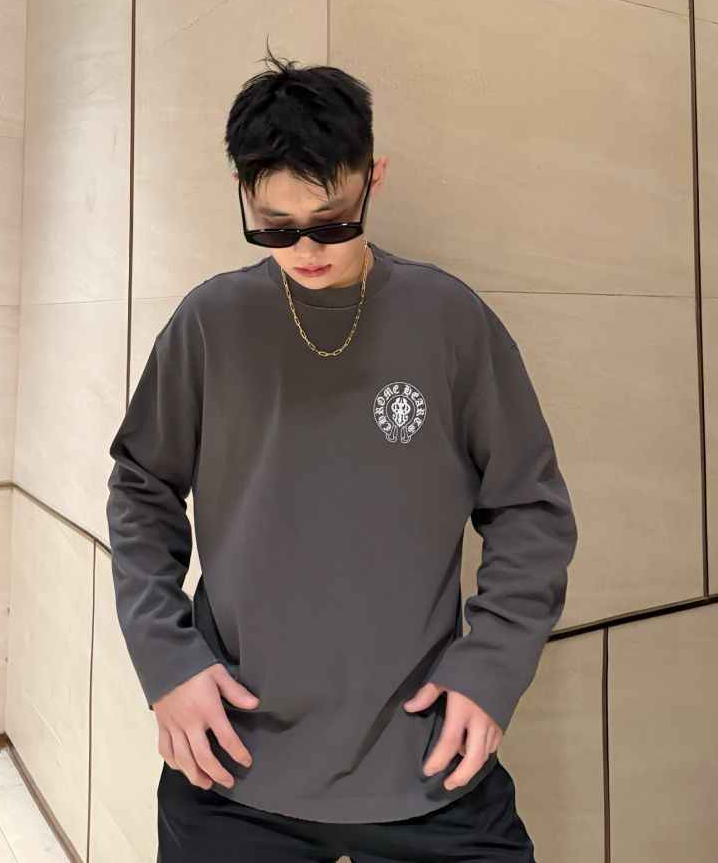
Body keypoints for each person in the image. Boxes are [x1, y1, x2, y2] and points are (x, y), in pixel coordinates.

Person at [106, 45, 578, 862]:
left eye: (332, 221)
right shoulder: (210, 323)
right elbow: (141, 489)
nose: (306, 249)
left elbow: (528, 506)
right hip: (232, 764)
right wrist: (167, 661)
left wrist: (492, 666)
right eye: (274, 225)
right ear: (241, 191)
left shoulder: (447, 319)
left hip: (424, 763)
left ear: (373, 177)